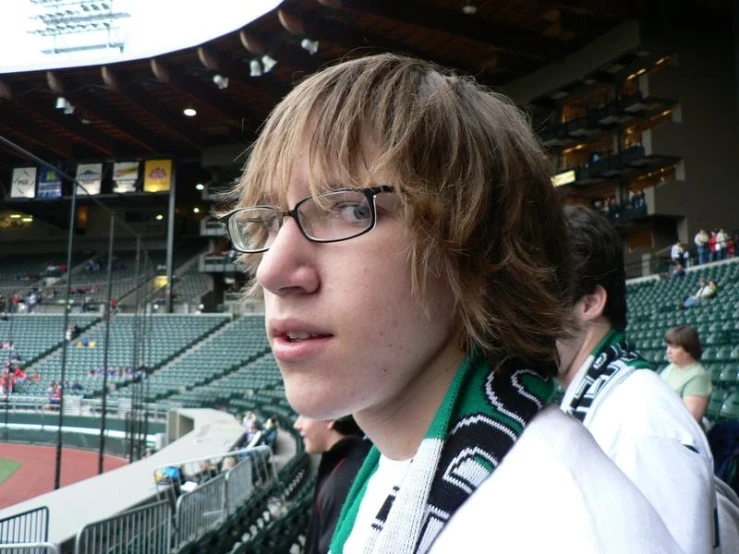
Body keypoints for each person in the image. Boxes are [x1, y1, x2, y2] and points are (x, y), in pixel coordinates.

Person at [222, 54, 681, 552]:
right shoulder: (392, 468)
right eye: (268, 221)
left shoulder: (564, 528)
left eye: (350, 209)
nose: (272, 270)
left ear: (480, 251)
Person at [558, 206, 719, 553]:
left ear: (589, 303)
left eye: (534, 297)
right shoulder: (616, 402)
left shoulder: (642, 423)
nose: (517, 318)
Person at [296, 415, 371, 554]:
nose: (297, 424)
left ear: (329, 420)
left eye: (304, 416)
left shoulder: (340, 483)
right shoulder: (349, 458)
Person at [661, 325, 713, 422]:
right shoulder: (671, 368)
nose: (668, 351)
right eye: (667, 346)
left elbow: (690, 420)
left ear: (688, 349)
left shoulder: (698, 377)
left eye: (674, 347)